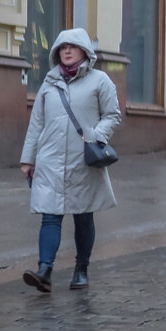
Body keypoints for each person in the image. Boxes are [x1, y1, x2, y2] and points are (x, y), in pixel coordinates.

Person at [19, 29, 122, 293]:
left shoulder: (100, 81)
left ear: (84, 51)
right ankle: (44, 270)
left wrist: (95, 136)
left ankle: (81, 269)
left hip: (83, 159)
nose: (66, 51)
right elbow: (37, 123)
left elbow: (112, 115)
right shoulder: (49, 83)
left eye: (72, 47)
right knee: (49, 216)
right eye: (62, 47)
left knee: (83, 217)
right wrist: (28, 158)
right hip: (50, 159)